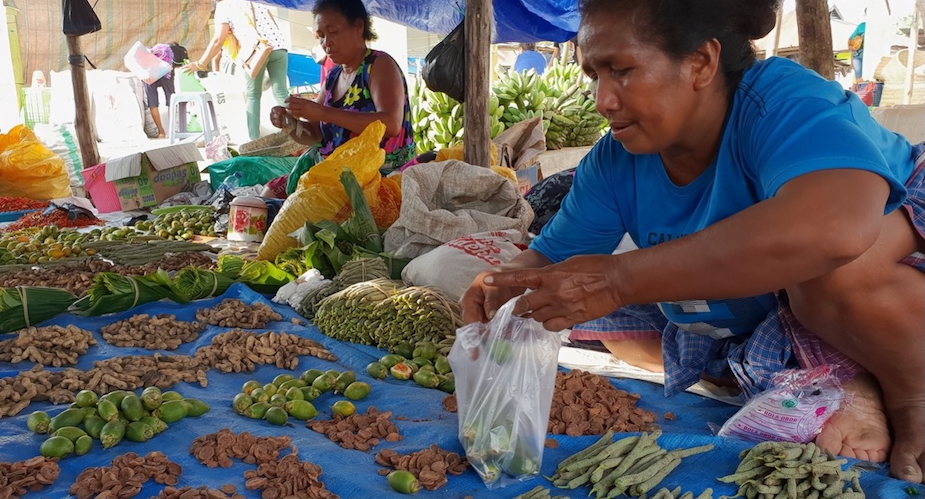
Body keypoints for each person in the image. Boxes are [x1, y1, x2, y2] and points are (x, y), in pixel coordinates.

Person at [461, 0, 925, 485]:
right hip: (779, 299)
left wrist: (618, 279)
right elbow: (552, 261)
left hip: (885, 251)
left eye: (622, 71)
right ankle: (847, 373)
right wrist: (502, 285)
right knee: (597, 319)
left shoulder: (779, 99)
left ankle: (910, 394)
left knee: (830, 268)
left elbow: (836, 228)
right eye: (594, 76)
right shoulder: (614, 161)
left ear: (701, 62)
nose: (603, 100)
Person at [266, 0, 415, 193]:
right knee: (269, 192)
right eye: (321, 36)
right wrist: (289, 123)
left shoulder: (379, 65)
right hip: (336, 174)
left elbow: (390, 124)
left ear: (358, 27)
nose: (326, 43)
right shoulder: (334, 75)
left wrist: (322, 112)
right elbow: (315, 134)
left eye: (333, 32)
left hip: (376, 179)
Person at [183, 0, 289, 141]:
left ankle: (254, 139)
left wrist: (200, 63)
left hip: (255, 51)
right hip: (279, 46)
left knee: (253, 95)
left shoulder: (224, 5)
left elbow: (218, 40)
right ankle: (293, 134)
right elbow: (272, 23)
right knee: (281, 92)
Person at [145, 43, 175, 139]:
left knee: (153, 103)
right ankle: (173, 130)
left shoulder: (145, 63)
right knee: (171, 99)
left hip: (149, 72)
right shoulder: (165, 53)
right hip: (165, 70)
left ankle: (161, 132)